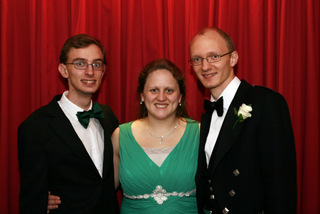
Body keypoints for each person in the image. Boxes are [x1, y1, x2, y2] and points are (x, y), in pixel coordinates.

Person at [47, 59, 200, 213]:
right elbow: (99, 188)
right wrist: (52, 195)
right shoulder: (120, 136)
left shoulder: (199, 133)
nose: (161, 97)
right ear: (142, 95)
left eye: (169, 90)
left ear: (180, 97)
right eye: (154, 90)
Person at [189, 27, 297, 213]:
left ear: (233, 58)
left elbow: (281, 184)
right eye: (197, 59)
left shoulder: (266, 103)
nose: (205, 67)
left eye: (214, 56)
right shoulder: (207, 113)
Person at [18, 34, 119, 213]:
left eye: (96, 64)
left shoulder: (108, 116)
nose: (90, 72)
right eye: (80, 64)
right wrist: (40, 200)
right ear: (64, 70)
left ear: (103, 71)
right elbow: (31, 199)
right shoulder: (35, 127)